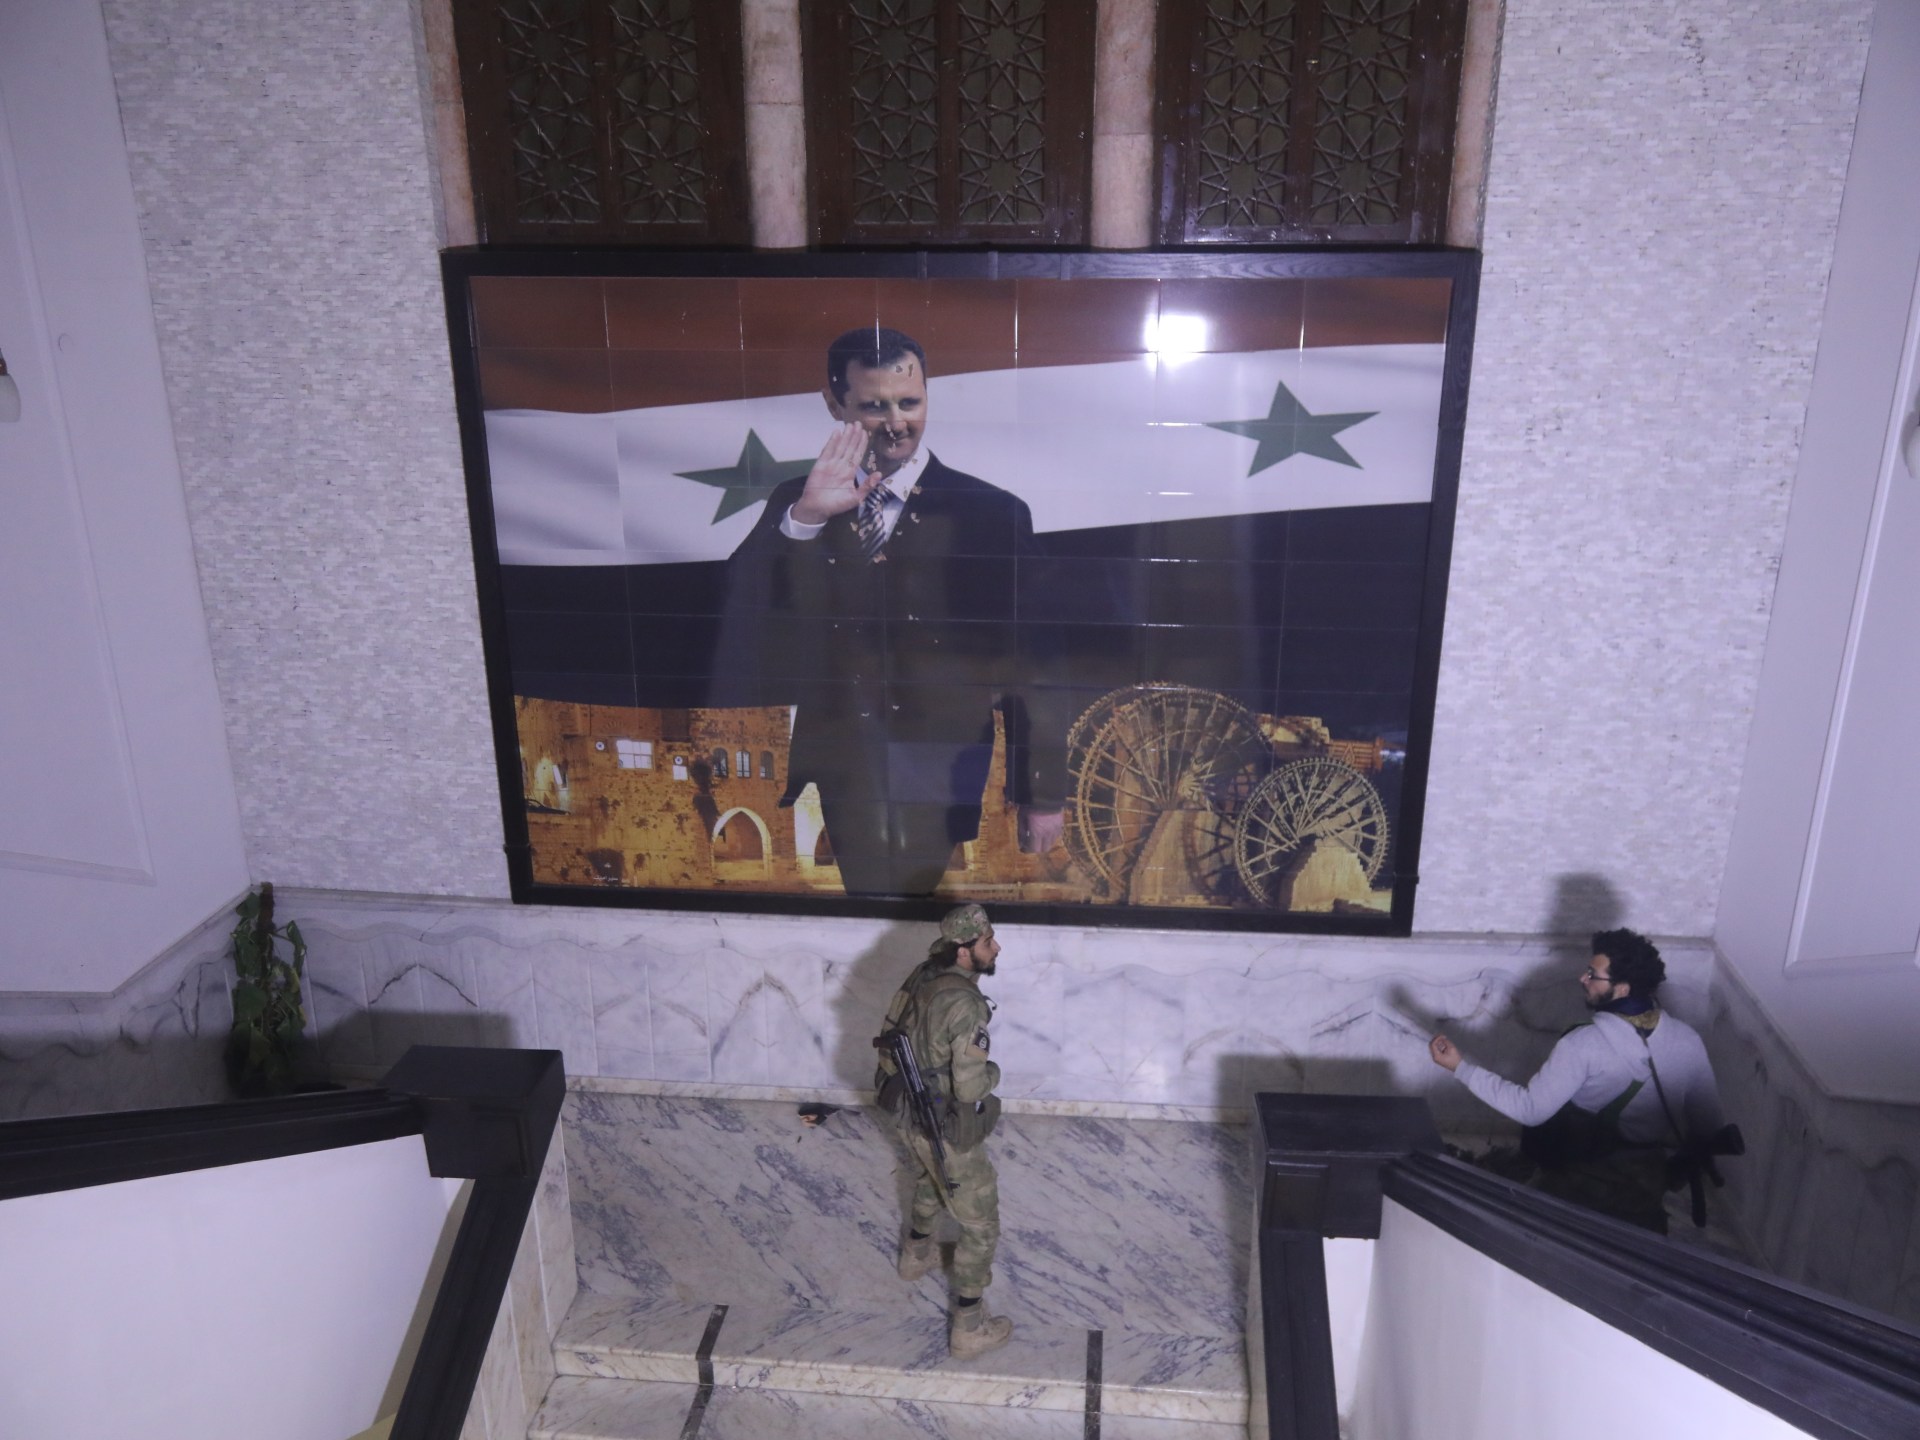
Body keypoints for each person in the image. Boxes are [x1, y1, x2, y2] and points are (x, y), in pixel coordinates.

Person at [722, 327, 1064, 896]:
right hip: (841, 761)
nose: (896, 423)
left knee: (917, 911)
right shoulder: (796, 500)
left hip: (944, 761)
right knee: (868, 908)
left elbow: (1036, 662)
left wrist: (1043, 792)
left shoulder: (993, 513)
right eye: (873, 407)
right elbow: (739, 607)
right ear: (835, 404)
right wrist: (806, 519)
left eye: (909, 402)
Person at [1429, 928, 1734, 1233]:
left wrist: (1461, 1068)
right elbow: (1710, 1126)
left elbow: (1530, 1110)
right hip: (1644, 1192)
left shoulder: (1584, 1044)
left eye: (1592, 974)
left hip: (1575, 1187)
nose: (1582, 979)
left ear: (1622, 989)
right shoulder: (1687, 1041)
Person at [876, 903, 1011, 1357]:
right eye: (988, 941)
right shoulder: (965, 1005)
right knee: (981, 1223)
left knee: (929, 1177)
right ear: (964, 950)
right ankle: (969, 1327)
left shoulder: (925, 973)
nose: (997, 947)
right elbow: (970, 1086)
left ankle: (916, 1256)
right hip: (940, 1120)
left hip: (906, 1109)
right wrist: (994, 1074)